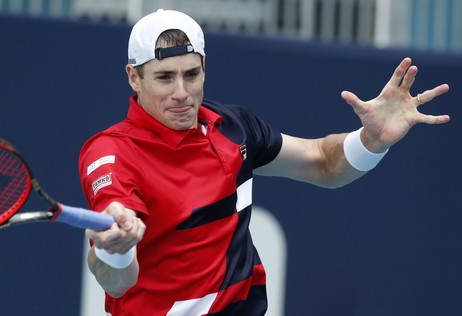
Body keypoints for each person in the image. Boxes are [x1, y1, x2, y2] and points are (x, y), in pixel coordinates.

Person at [78, 9, 450, 316]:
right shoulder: (111, 153)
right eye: (164, 77)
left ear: (205, 69)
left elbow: (322, 162)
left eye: (191, 75)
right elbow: (117, 281)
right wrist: (117, 247)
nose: (181, 93)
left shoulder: (235, 127)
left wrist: (372, 140)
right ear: (134, 78)